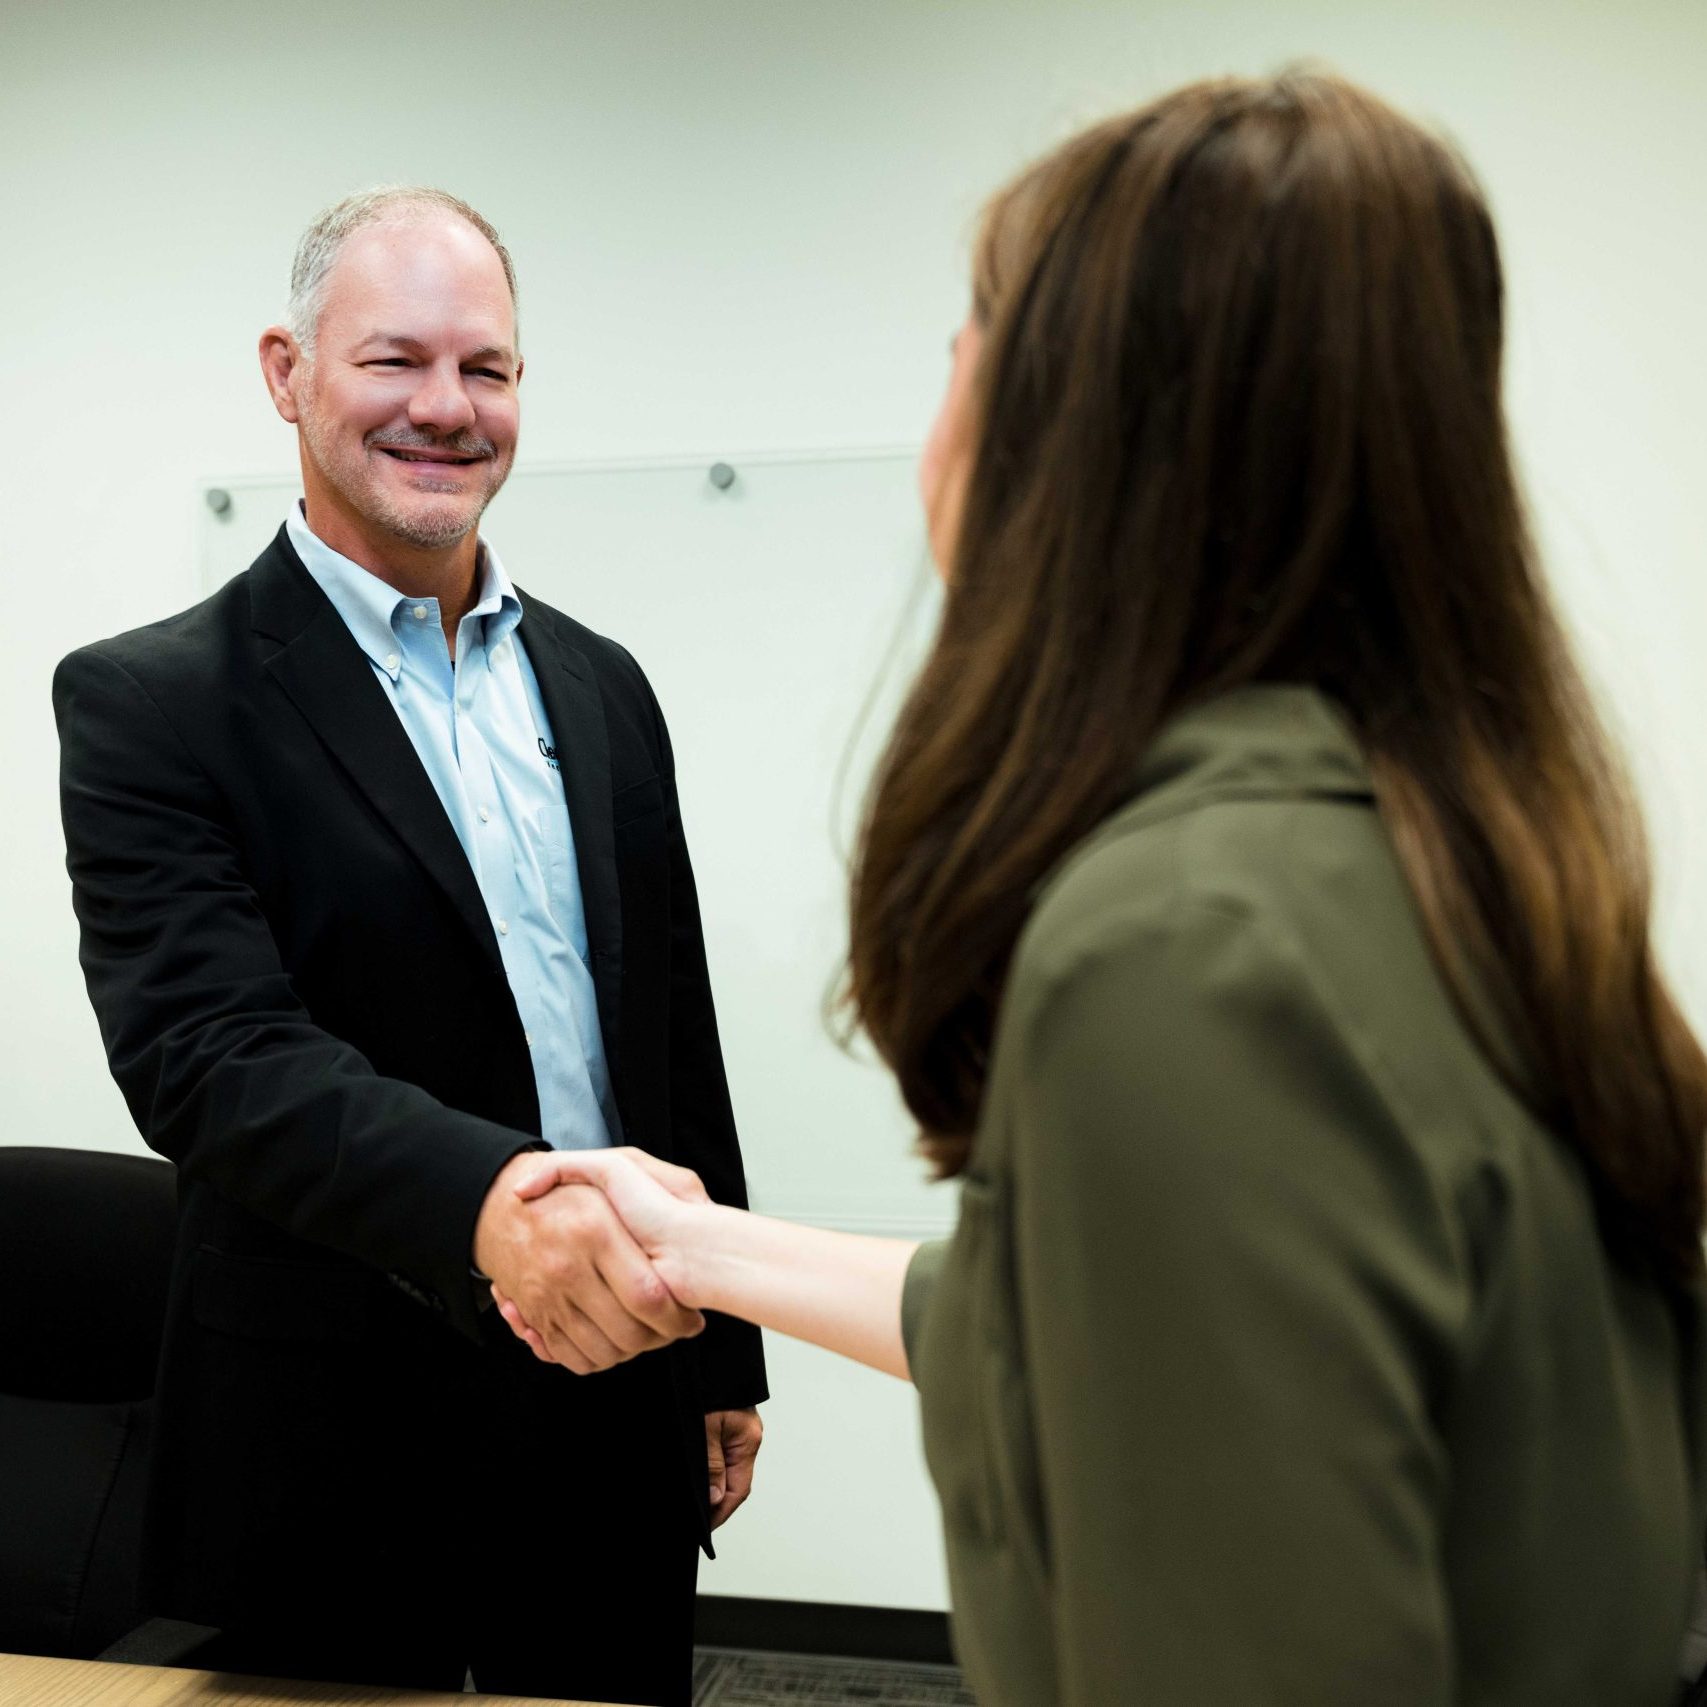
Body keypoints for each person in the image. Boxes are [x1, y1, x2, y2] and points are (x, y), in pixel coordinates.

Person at [499, 72, 1707, 1706]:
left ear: (1079, 429)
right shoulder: (1453, 853)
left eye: (966, 338)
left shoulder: (1185, 956)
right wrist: (702, 1249)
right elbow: (1074, 1328)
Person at [53, 187, 764, 1705]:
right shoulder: (154, 703)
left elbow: (667, 1034)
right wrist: (492, 1202)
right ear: (286, 372)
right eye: (395, 362)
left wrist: (725, 1350)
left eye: (486, 370)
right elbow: (209, 1058)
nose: (446, 409)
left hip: (617, 1396)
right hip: (329, 1437)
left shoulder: (602, 684)